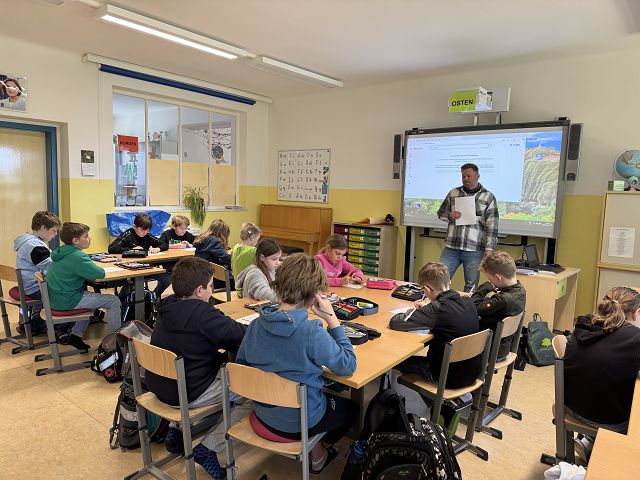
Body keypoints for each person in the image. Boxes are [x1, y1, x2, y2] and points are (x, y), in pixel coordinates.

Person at [236, 253, 358, 475]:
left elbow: (242, 368)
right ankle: (319, 451)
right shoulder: (312, 332)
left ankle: (317, 449)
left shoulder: (254, 326)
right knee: (351, 408)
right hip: (301, 423)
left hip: (264, 414)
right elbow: (348, 365)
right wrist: (332, 320)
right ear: (314, 295)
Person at [146, 256, 251, 480]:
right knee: (255, 394)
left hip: (161, 387)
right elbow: (240, 335)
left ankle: (176, 431)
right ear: (199, 290)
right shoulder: (203, 314)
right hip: (188, 392)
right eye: (211, 286)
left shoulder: (166, 306)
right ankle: (209, 447)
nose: (213, 291)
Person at [564, 287, 640, 459]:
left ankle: (589, 439)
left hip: (569, 405)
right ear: (637, 314)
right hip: (606, 420)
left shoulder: (584, 323)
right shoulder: (635, 338)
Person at [45, 223, 122, 349]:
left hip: (56, 298)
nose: (89, 239)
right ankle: (115, 342)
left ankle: (76, 335)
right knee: (113, 301)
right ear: (75, 241)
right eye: (86, 236)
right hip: (68, 300)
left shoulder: (61, 251)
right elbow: (100, 274)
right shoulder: (77, 256)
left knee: (91, 297)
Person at [437, 163, 499, 292]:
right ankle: (440, 304)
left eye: (469, 176)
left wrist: (489, 249)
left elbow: (492, 225)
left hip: (474, 249)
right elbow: (440, 213)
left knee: (471, 286)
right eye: (463, 176)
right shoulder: (454, 193)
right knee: (439, 280)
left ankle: (467, 305)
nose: (466, 179)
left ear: (477, 176)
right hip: (451, 247)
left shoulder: (488, 197)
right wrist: (450, 215)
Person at [471, 251, 526, 361]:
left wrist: (485, 287)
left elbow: (474, 307)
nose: (490, 282)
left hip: (489, 351)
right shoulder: (521, 290)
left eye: (490, 279)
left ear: (498, 278)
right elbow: (493, 305)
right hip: (503, 348)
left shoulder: (503, 299)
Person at [13, 211, 62, 335]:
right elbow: (51, 266)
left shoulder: (29, 240)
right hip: (34, 287)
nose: (56, 234)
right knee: (68, 292)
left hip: (28, 284)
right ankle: (37, 323)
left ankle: (35, 319)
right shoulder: (34, 245)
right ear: (43, 228)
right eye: (54, 230)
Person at [108, 213, 169, 299]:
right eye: (142, 230)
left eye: (147, 230)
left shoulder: (147, 235)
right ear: (134, 226)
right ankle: (121, 302)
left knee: (167, 279)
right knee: (132, 283)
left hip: (147, 268)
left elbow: (164, 244)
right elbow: (111, 248)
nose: (144, 232)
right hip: (131, 269)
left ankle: (152, 297)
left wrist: (158, 248)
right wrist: (131, 250)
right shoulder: (128, 234)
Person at [154, 215, 196, 298]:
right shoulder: (167, 234)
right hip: (169, 263)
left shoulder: (187, 235)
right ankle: (155, 295)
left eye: (185, 228)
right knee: (168, 279)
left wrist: (190, 245)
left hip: (182, 263)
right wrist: (175, 246)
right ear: (173, 226)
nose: (183, 231)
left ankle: (183, 296)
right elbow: (160, 245)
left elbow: (198, 241)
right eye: (181, 228)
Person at [194, 219, 233, 289]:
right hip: (210, 277)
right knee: (238, 279)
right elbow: (226, 258)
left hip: (200, 274)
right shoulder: (214, 241)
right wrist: (235, 257)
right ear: (222, 233)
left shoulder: (202, 237)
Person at [230, 222, 261, 292]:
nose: (257, 242)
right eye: (257, 239)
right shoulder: (253, 250)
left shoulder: (235, 247)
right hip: (248, 291)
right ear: (252, 237)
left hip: (238, 289)